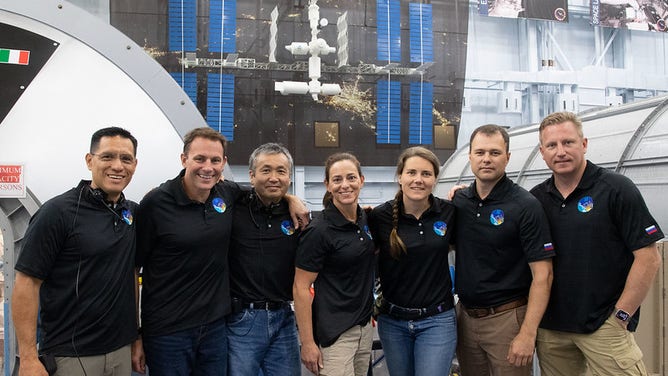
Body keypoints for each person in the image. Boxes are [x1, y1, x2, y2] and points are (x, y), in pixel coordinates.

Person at [133, 128, 307, 375]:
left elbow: (266, 189)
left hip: (215, 328)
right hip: (168, 332)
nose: (208, 167)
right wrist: (136, 334)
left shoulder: (227, 194)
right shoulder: (156, 203)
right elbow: (134, 268)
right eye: (200, 159)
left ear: (223, 163)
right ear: (184, 160)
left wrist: (292, 200)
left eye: (215, 160)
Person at [531, 111, 663, 376]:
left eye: (568, 142)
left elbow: (649, 257)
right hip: (552, 330)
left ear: (584, 144)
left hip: (604, 327)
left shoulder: (616, 189)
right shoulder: (536, 199)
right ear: (542, 153)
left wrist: (621, 316)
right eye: (551, 145)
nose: (561, 152)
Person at [12, 127, 140, 376]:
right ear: (89, 160)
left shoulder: (132, 213)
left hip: (120, 352)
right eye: (107, 157)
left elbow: (131, 275)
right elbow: (26, 283)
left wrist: (136, 337)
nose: (117, 166)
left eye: (126, 159)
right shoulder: (57, 212)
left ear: (135, 164)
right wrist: (27, 357)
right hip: (71, 356)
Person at [451, 124, 554, 375]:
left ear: (507, 157)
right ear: (470, 157)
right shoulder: (460, 201)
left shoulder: (525, 205)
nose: (486, 159)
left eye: (495, 153)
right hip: (466, 317)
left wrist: (527, 334)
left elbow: (544, 276)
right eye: (480, 152)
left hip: (508, 320)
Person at [368, 146, 457, 376]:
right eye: (411, 173)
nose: (418, 180)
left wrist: (465, 191)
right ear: (400, 176)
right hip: (393, 321)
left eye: (426, 174)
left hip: (437, 320)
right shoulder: (379, 217)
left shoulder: (449, 212)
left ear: (435, 178)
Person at [293, 152, 375, 376]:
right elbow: (300, 288)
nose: (345, 185)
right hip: (336, 335)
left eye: (351, 178)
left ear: (361, 180)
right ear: (327, 185)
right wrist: (308, 343)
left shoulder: (364, 219)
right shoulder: (318, 231)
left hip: (364, 328)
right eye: (337, 180)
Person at [226, 143, 300, 376]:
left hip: (285, 318)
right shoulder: (232, 205)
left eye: (281, 171)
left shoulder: (297, 217)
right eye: (266, 170)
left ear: (289, 176)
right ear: (251, 175)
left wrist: (291, 200)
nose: (274, 177)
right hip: (242, 320)